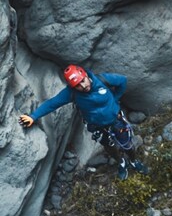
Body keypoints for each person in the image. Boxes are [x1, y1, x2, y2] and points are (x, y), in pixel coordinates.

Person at [19, 64, 148, 181]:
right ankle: (121, 162)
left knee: (127, 144)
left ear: (85, 75)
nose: (83, 86)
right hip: (98, 127)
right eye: (78, 86)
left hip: (116, 120)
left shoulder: (102, 80)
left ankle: (133, 160)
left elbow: (122, 81)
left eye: (83, 81)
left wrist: (115, 99)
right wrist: (33, 116)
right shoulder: (71, 93)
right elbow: (52, 103)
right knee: (109, 146)